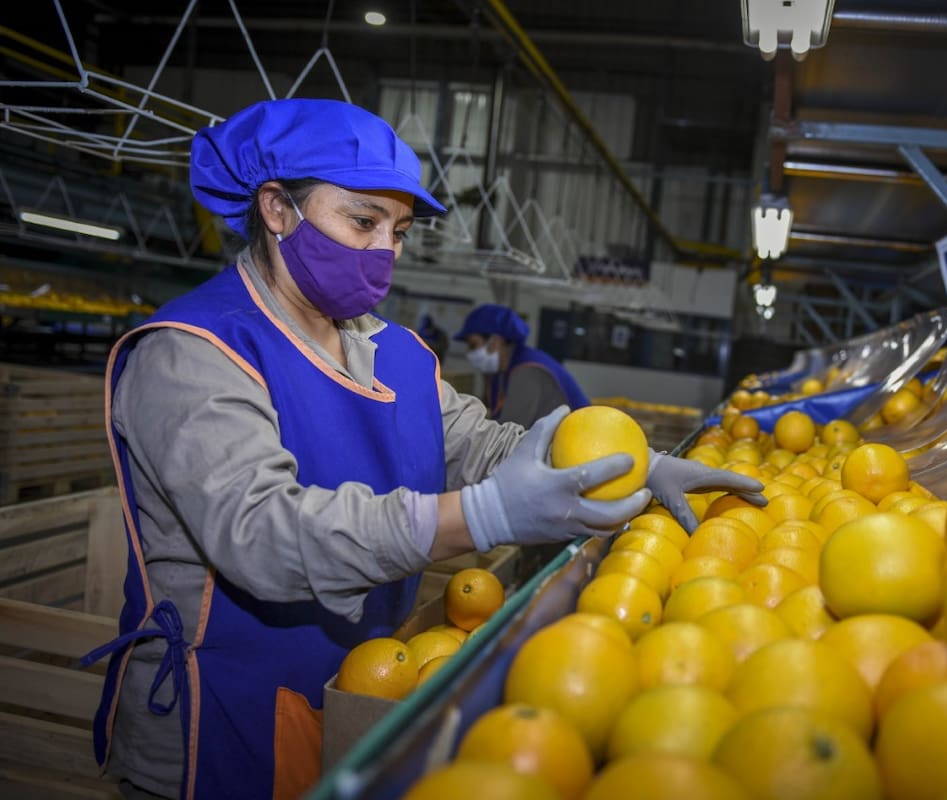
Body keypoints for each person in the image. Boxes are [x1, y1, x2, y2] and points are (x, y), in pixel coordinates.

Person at [81, 97, 764, 800]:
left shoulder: (394, 353)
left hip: (366, 696)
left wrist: (628, 463)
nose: (385, 250)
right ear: (278, 209)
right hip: (219, 719)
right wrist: (486, 518)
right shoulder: (194, 353)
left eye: (400, 231)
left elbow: (480, 443)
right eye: (363, 221)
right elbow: (263, 535)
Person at [455, 302, 588, 429]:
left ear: (495, 342)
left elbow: (508, 431)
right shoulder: (504, 371)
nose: (469, 353)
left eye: (473, 345)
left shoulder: (527, 372)